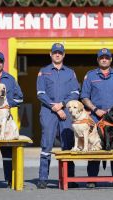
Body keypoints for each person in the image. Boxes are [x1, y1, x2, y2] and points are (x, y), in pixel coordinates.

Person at [81, 48, 113, 188]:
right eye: (101, 57)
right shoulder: (90, 76)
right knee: (95, 148)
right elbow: (84, 97)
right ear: (98, 60)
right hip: (97, 118)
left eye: (107, 57)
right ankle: (92, 179)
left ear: (111, 59)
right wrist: (96, 109)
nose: (104, 59)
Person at [36, 43, 80, 189]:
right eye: (55, 52)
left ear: (63, 55)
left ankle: (70, 179)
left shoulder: (70, 72)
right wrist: (54, 106)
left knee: (67, 146)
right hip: (48, 112)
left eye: (60, 53)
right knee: (46, 145)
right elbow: (40, 93)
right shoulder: (44, 71)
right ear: (50, 54)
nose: (57, 55)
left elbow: (75, 92)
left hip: (66, 112)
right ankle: (43, 178)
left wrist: (62, 104)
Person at [0, 51, 23, 187]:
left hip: (4, 119)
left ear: (3, 63)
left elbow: (20, 97)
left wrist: (10, 104)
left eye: (0, 61)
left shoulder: (10, 79)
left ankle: (9, 179)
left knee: (7, 152)